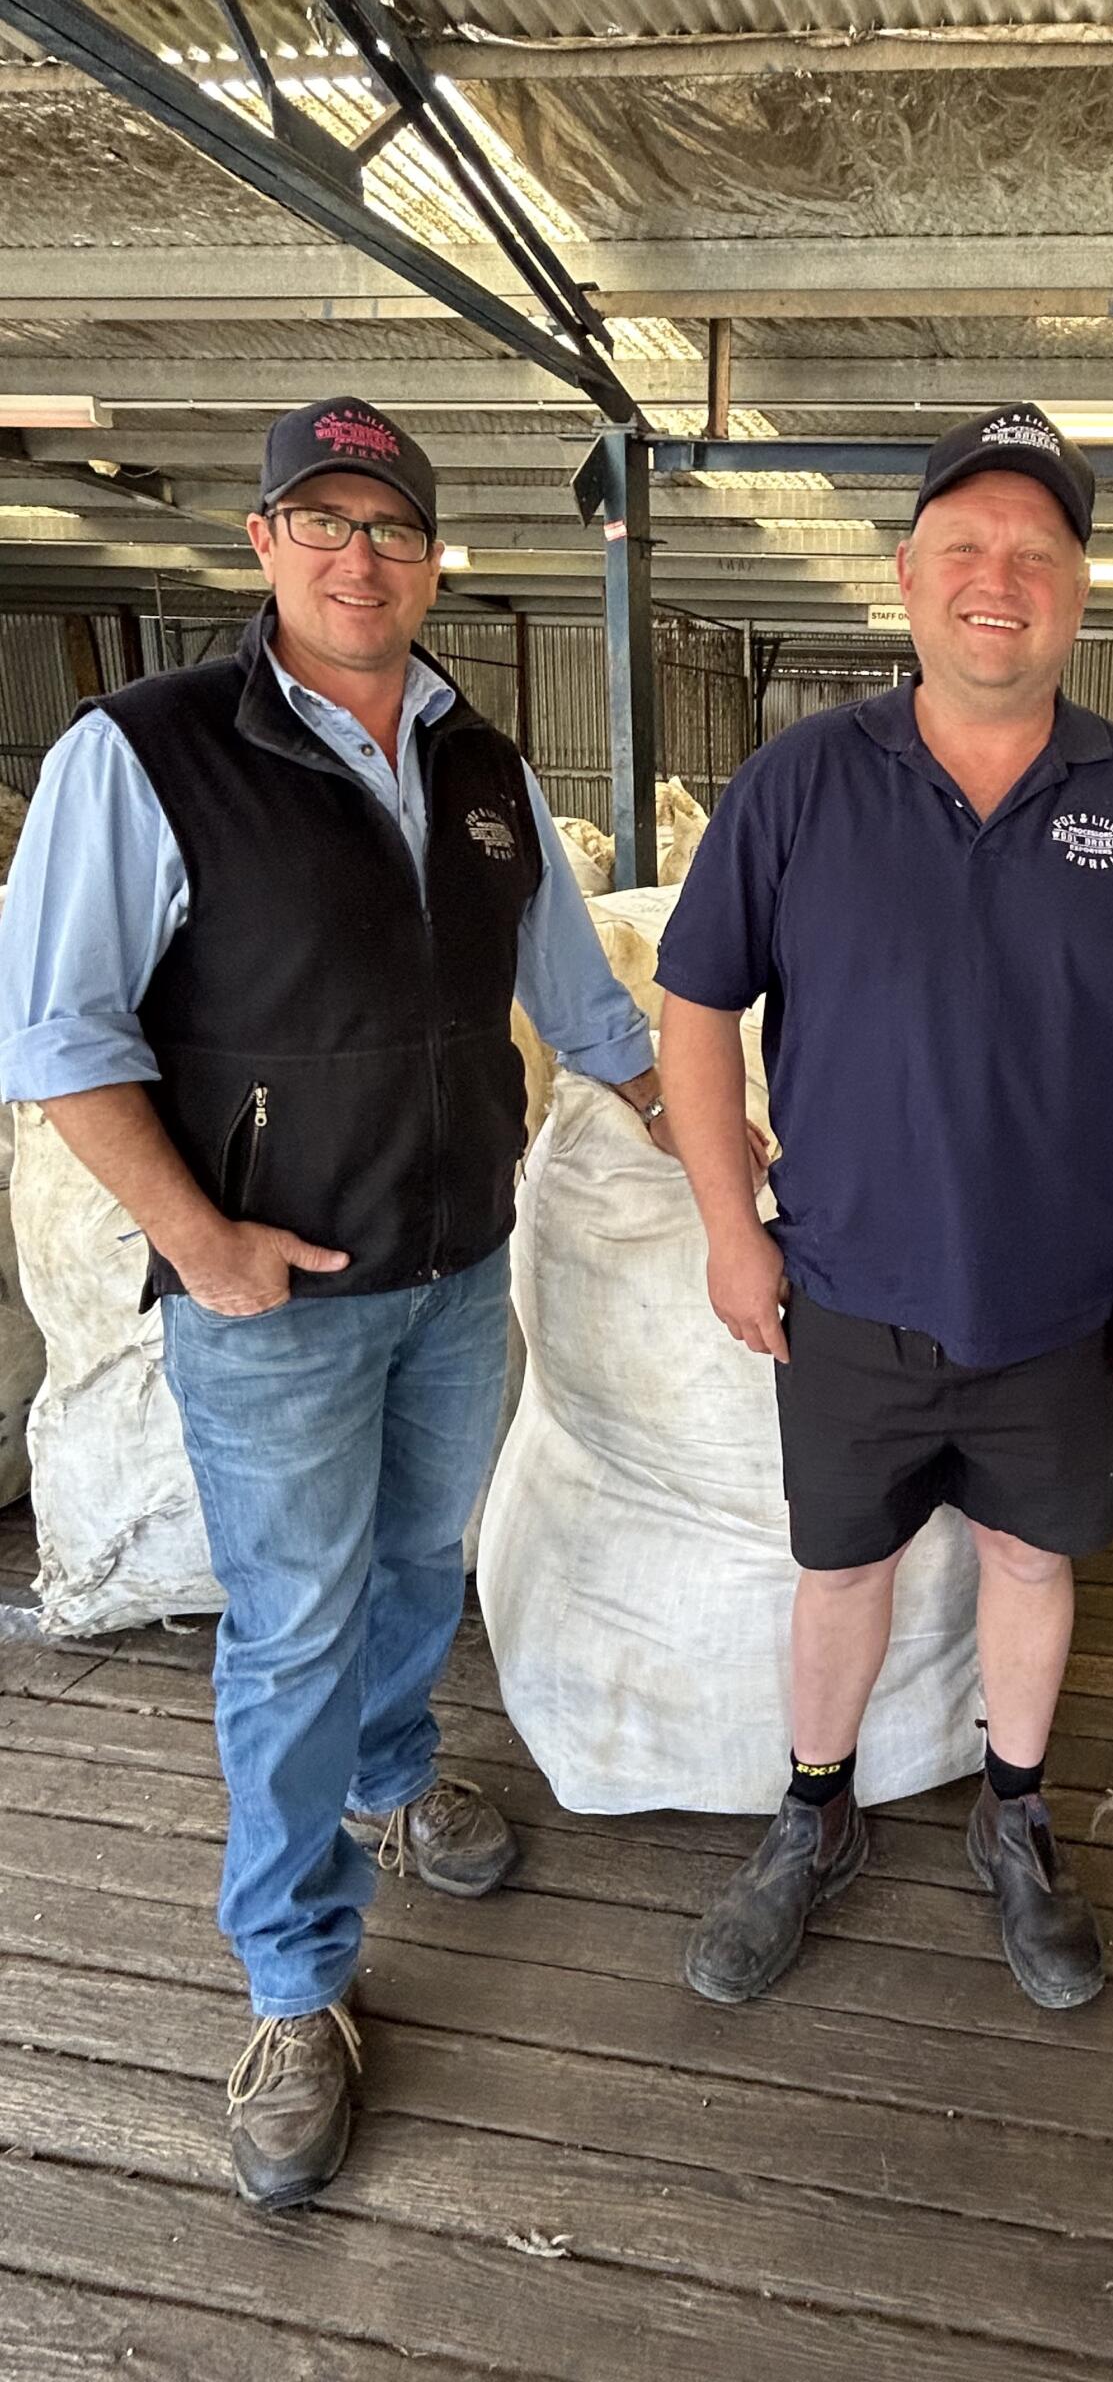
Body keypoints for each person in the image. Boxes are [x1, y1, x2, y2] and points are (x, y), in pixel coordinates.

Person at [0, 398, 680, 2209]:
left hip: (458, 1267)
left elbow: (587, 1004)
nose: (358, 554)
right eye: (324, 519)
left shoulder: (483, 767)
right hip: (275, 1295)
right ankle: (296, 1985)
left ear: (435, 559)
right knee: (290, 1629)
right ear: (262, 542)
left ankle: (390, 1779)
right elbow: (59, 1038)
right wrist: (202, 1243)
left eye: (391, 525)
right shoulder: (144, 752)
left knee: (406, 1574)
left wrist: (715, 1137)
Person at [655, 405, 1113, 2011]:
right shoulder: (800, 781)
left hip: (1060, 1304)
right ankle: (814, 1820)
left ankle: (1016, 1818)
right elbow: (697, 1006)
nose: (997, 580)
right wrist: (734, 1225)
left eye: (1035, 552)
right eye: (964, 550)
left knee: (1027, 1557)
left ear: (1079, 589)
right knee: (843, 1572)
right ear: (905, 577)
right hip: (846, 1291)